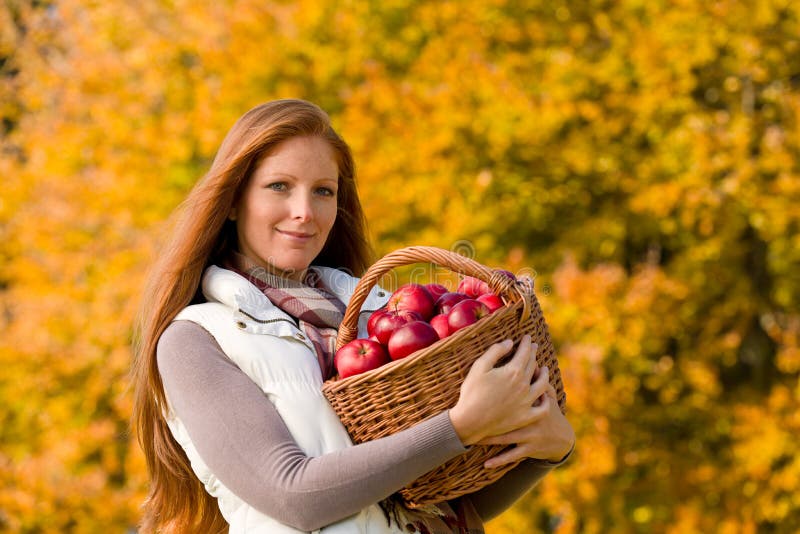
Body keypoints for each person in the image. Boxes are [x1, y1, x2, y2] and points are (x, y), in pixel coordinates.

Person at [131, 99, 575, 534]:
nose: (305, 211)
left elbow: (430, 502)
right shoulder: (196, 340)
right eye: (279, 186)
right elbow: (292, 497)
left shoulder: (375, 319)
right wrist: (458, 426)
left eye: (323, 190)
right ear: (233, 201)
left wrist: (543, 452)